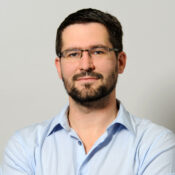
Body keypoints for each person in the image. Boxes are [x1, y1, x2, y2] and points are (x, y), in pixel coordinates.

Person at [1, 8, 175, 175]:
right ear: (59, 67)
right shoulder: (24, 146)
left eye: (98, 51)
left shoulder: (155, 144)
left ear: (120, 62)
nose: (85, 65)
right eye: (73, 54)